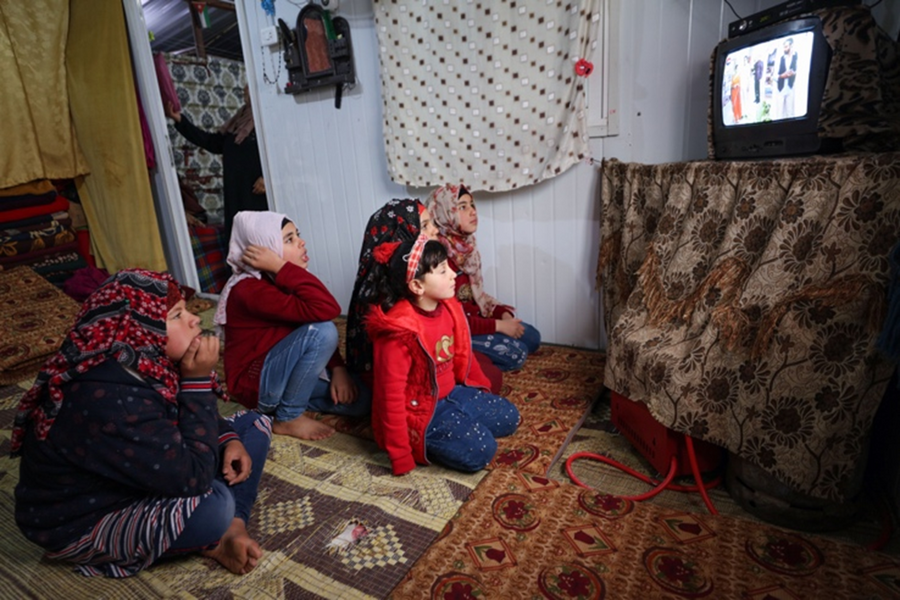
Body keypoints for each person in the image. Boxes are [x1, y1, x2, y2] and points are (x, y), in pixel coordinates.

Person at [11, 269, 270, 577]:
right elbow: (195, 479)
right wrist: (198, 381)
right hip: (83, 519)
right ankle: (220, 529)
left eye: (187, 310)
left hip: (140, 469)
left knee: (254, 425)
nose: (194, 319)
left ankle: (234, 527)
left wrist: (228, 439)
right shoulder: (109, 396)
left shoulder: (142, 360)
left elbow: (181, 411)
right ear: (136, 329)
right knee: (214, 508)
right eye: (176, 315)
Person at [365, 235, 520, 476]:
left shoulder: (448, 307)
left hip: (452, 393)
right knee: (482, 450)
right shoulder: (398, 332)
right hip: (422, 411)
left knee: (509, 417)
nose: (453, 275)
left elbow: (463, 357)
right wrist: (401, 455)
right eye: (442, 271)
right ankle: (428, 440)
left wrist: (478, 390)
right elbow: (390, 398)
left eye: (449, 267)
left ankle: (460, 420)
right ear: (417, 286)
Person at [215, 211, 371, 441]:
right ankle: (288, 415)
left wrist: (338, 369)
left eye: (297, 235)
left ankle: (291, 401)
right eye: (289, 239)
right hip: (257, 382)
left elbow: (312, 317)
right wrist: (280, 265)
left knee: (364, 400)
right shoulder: (248, 290)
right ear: (264, 251)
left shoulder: (280, 279)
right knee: (324, 331)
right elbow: (327, 310)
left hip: (284, 372)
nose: (301, 242)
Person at [345, 199, 504, 393]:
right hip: (413, 383)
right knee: (490, 375)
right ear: (402, 235)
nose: (435, 230)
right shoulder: (393, 295)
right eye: (424, 226)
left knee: (487, 368)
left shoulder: (434, 268)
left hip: (438, 355)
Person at [426, 184, 541, 371]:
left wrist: (502, 314)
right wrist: (499, 326)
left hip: (476, 319)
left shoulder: (466, 247)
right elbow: (454, 317)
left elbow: (476, 296)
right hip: (456, 330)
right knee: (516, 354)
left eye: (472, 205)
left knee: (533, 338)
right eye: (462, 207)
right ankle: (462, 360)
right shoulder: (438, 258)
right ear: (445, 213)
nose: (472, 211)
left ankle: (480, 353)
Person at [165, 85, 268, 238]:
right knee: (240, 238)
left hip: (258, 194)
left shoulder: (268, 119)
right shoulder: (239, 120)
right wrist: (180, 120)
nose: (246, 89)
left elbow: (283, 152)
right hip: (237, 193)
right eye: (246, 86)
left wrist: (267, 178)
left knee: (260, 238)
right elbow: (212, 142)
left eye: (251, 85)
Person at [777, 38, 798, 120]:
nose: (784, 49)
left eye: (786, 46)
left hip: (790, 87)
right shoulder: (781, 58)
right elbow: (775, 75)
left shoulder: (796, 56)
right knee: (780, 113)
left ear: (791, 46)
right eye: (784, 47)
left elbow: (800, 70)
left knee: (790, 112)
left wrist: (793, 73)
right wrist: (782, 76)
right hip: (781, 87)